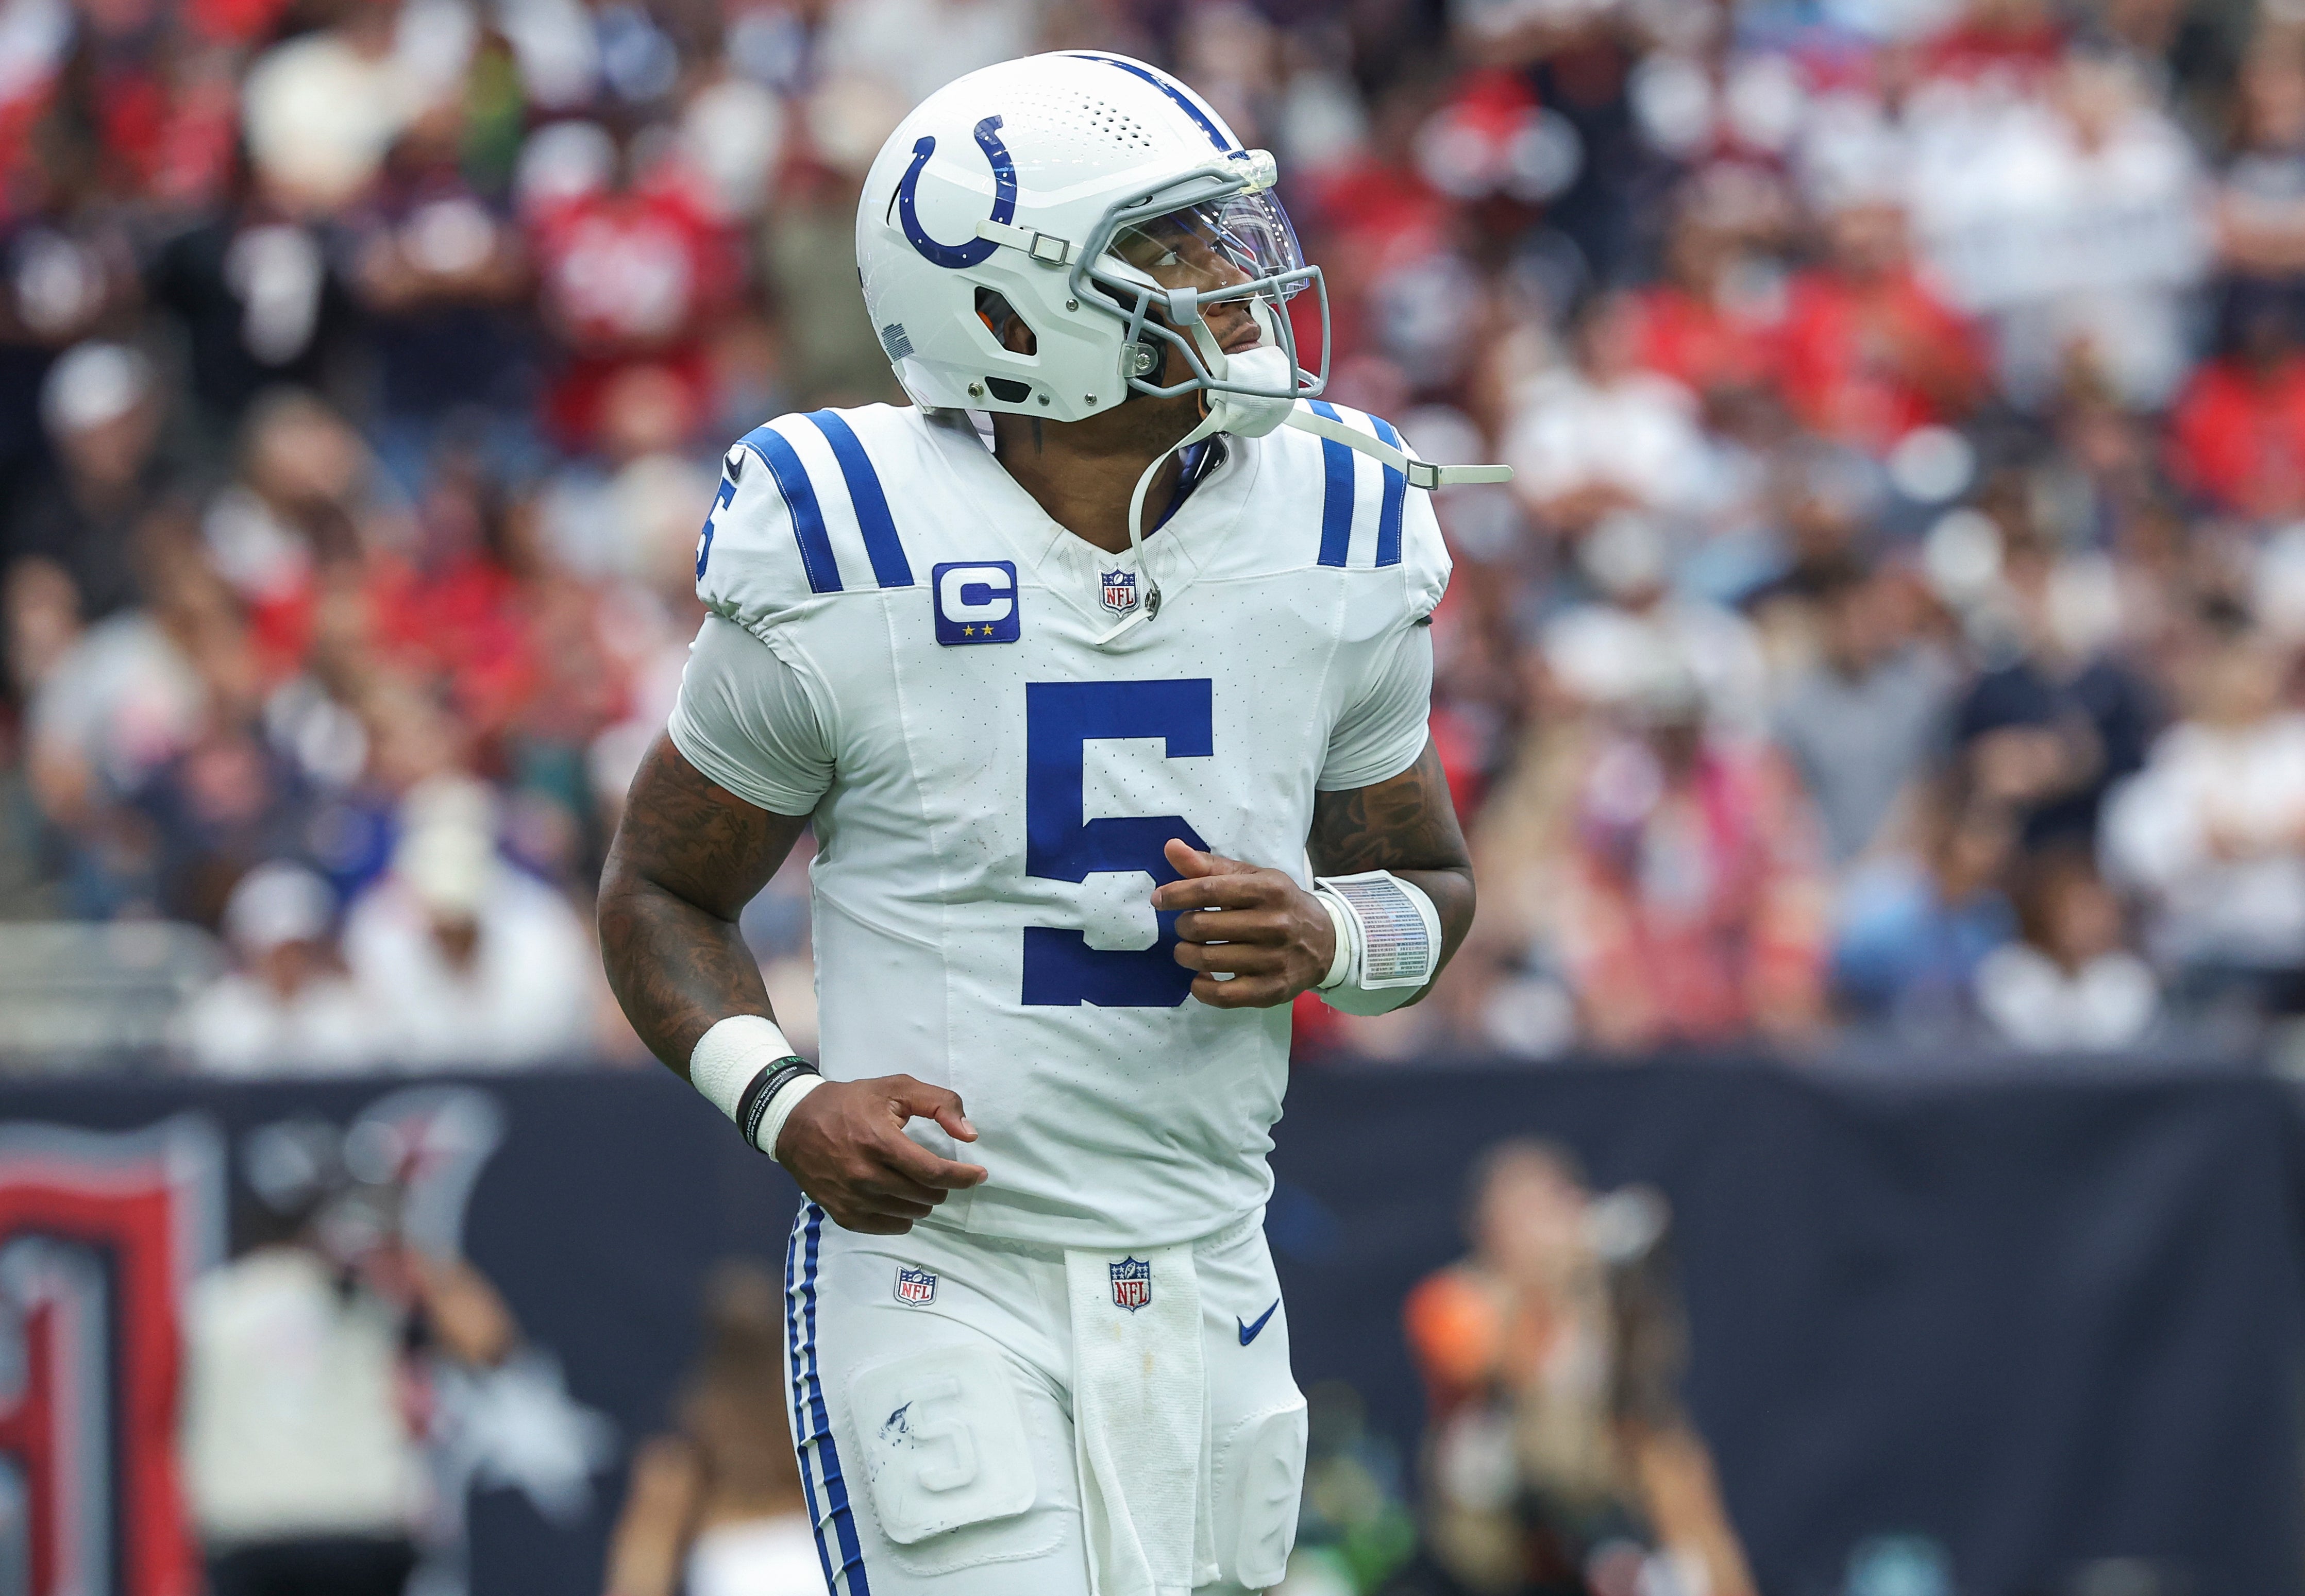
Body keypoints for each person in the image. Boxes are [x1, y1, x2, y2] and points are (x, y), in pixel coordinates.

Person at [596, 52, 1490, 1596]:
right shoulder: (847, 540)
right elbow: (659, 888)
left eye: (1222, 231)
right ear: (1009, 315)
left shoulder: (1335, 520)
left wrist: (1332, 930)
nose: (1234, 278)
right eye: (1173, 245)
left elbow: (1429, 890)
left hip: (1210, 1261)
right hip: (950, 1271)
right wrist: (783, 1102)